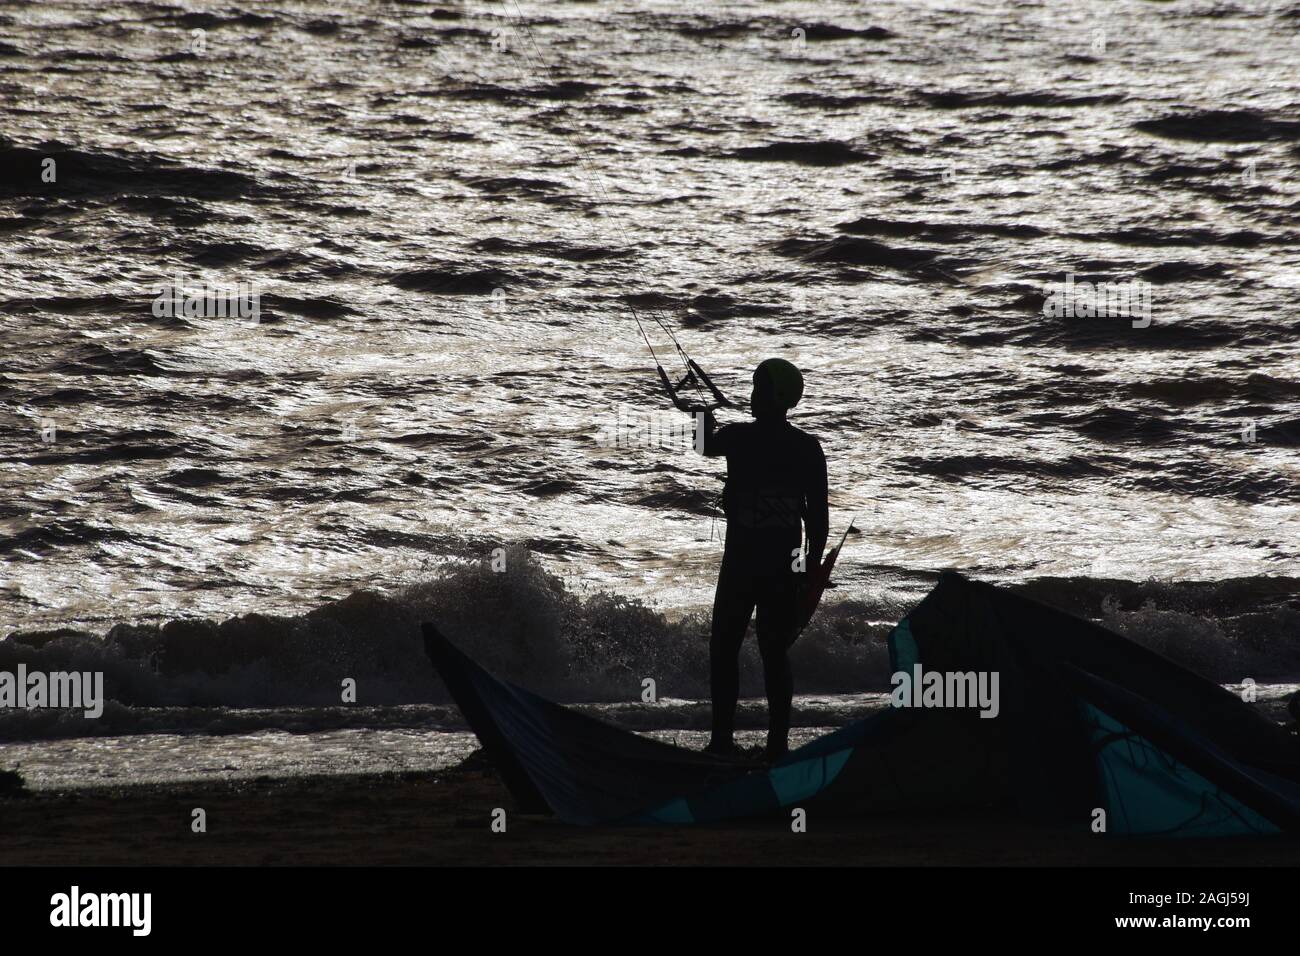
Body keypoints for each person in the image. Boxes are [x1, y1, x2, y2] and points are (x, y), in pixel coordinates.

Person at [698, 358, 828, 760]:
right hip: (781, 567)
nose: (753, 397)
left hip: (742, 564)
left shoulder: (739, 438)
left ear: (779, 398)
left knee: (726, 649)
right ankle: (776, 747)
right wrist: (810, 566)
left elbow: (704, 445)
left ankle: (723, 743)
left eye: (760, 389)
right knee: (773, 653)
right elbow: (819, 519)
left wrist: (701, 414)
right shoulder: (807, 448)